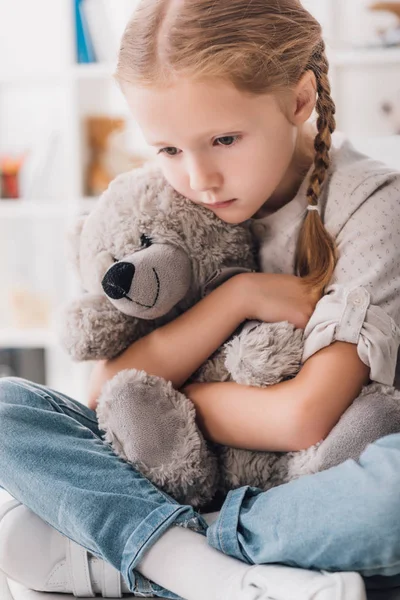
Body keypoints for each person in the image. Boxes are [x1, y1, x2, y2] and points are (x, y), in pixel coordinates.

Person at [0, 1, 400, 599]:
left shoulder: (371, 203)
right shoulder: (164, 197)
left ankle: (153, 551)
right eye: (167, 149)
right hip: (168, 466)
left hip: (309, 481)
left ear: (298, 100)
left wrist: (166, 393)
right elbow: (105, 394)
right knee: (7, 406)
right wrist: (237, 297)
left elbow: (304, 418)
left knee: (391, 492)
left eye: (224, 139)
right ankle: (214, 569)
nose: (198, 178)